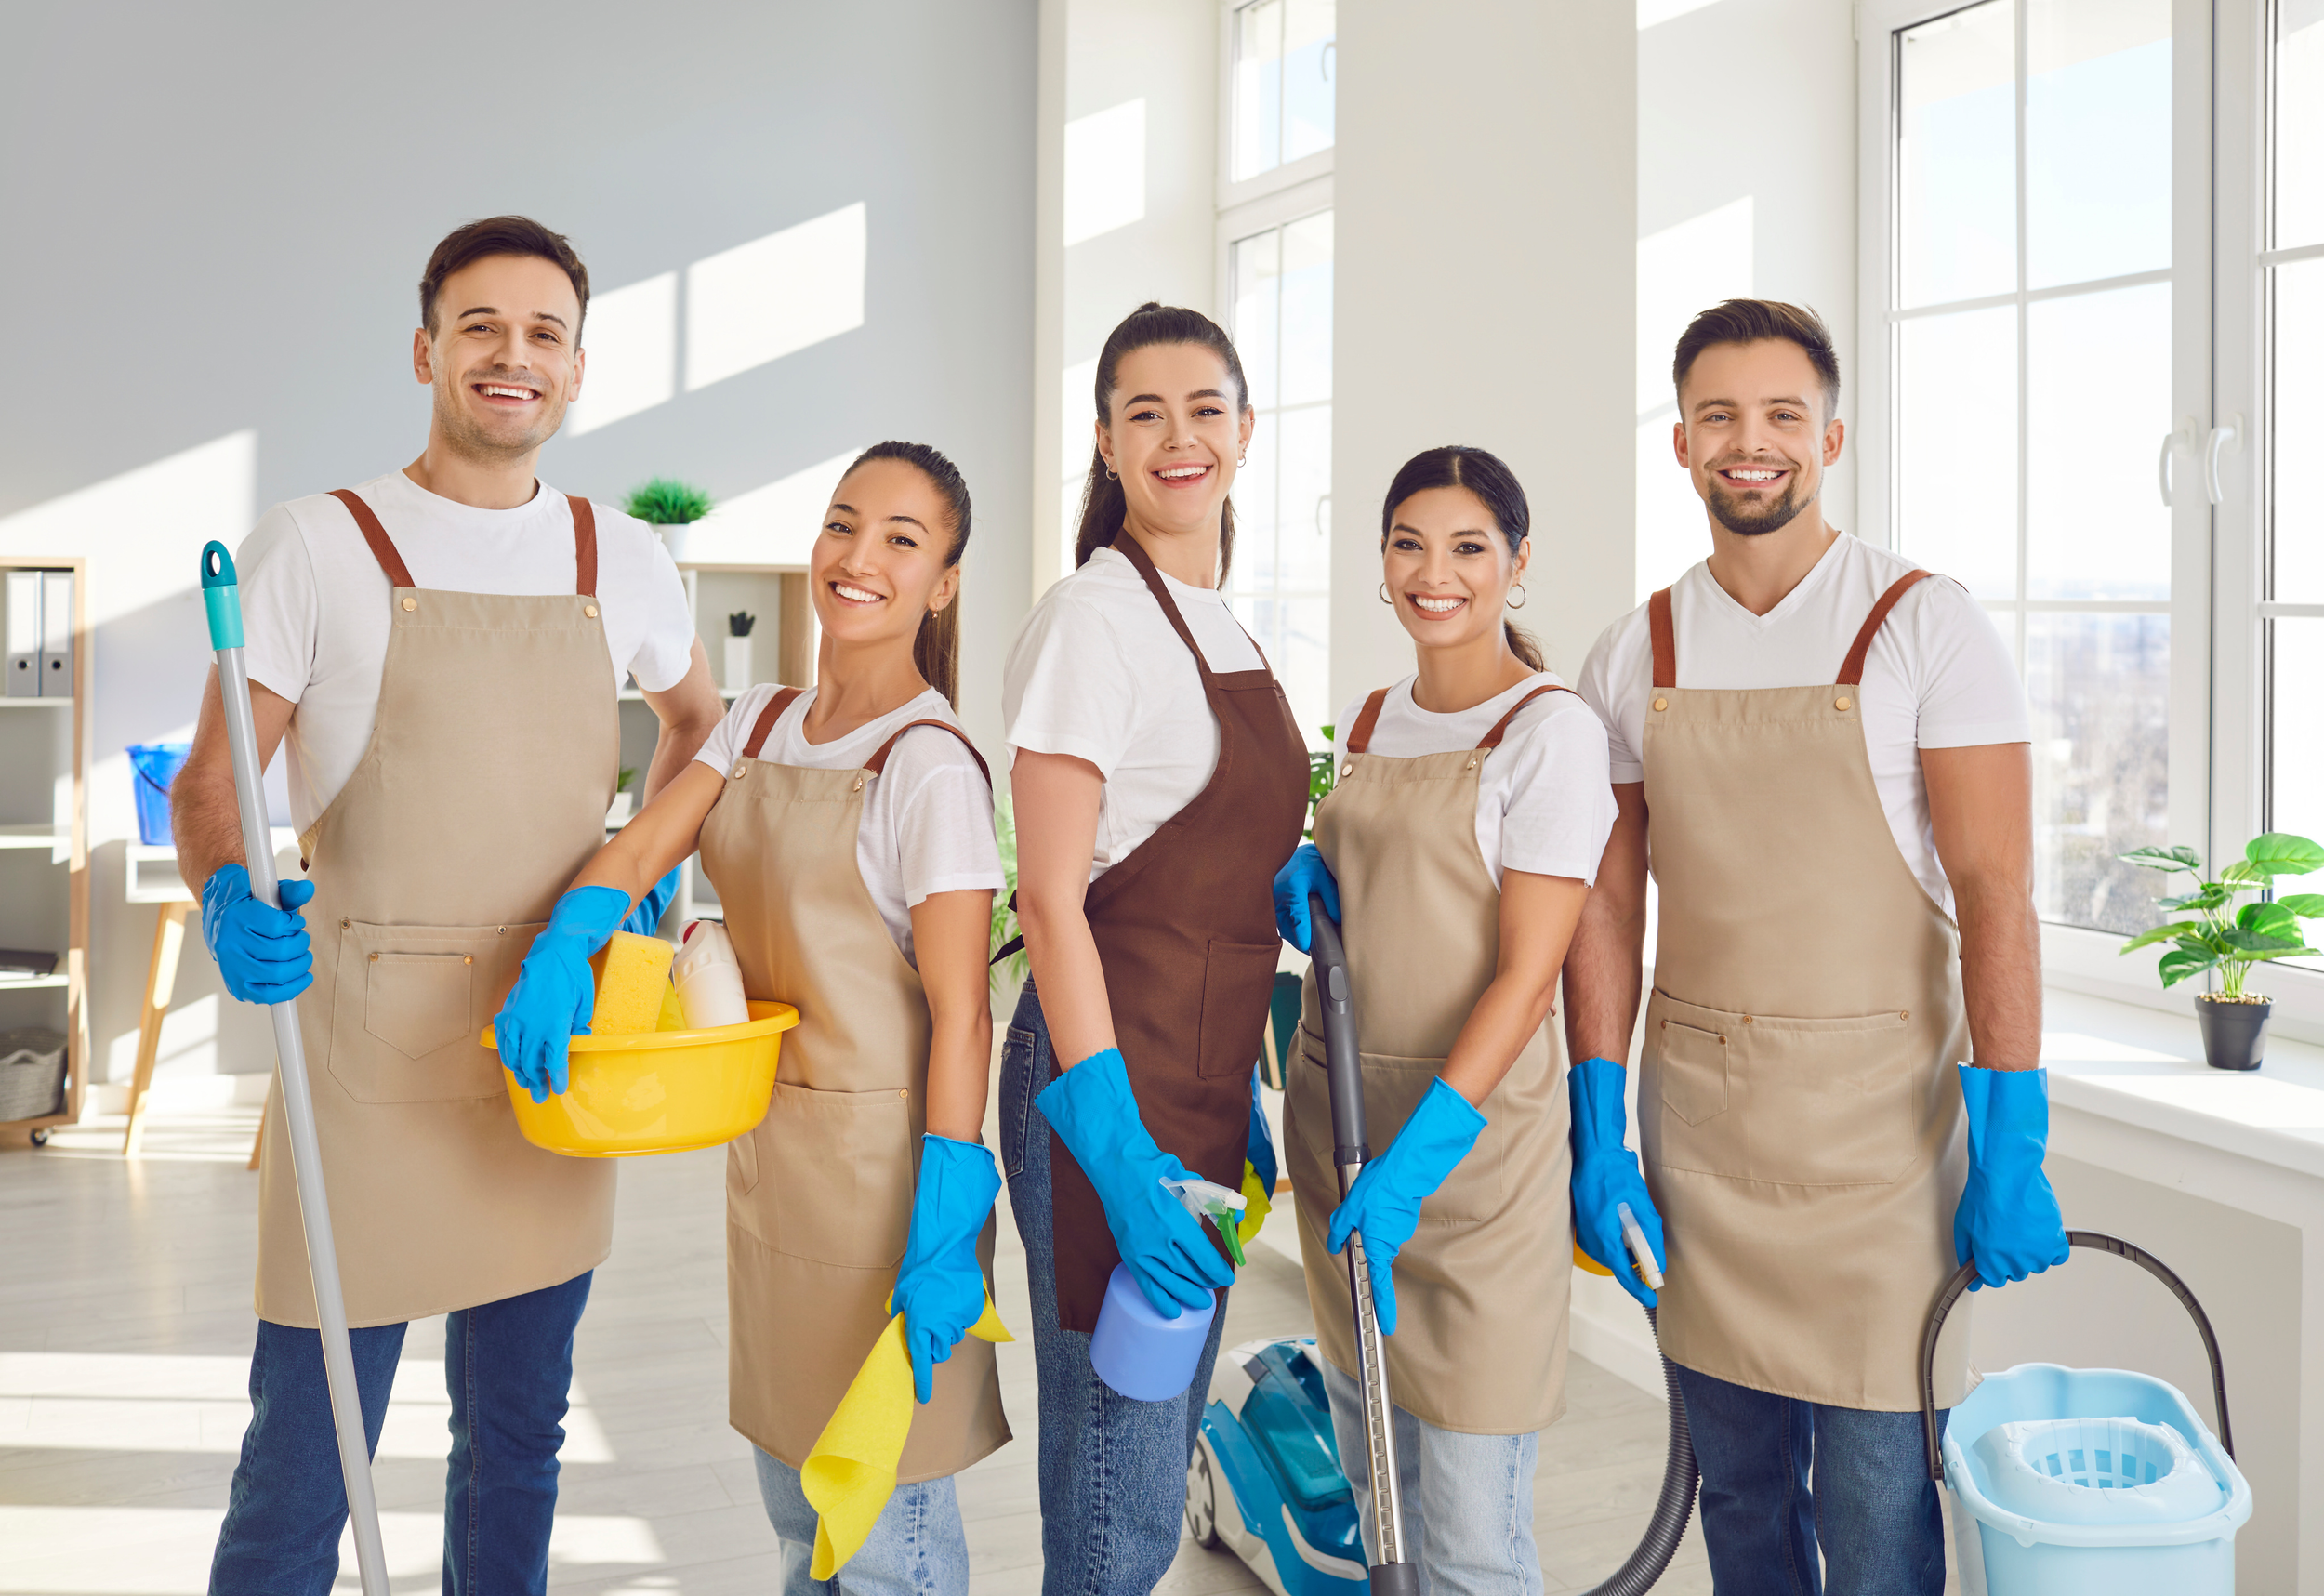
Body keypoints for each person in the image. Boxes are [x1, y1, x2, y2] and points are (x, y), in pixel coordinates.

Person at [171, 216, 724, 1595]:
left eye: (543, 332)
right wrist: (232, 885)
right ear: (427, 350)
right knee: (304, 1458)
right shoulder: (317, 543)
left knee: (520, 1442)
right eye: (480, 325)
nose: (510, 354)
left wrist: (618, 893)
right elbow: (211, 778)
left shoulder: (620, 556)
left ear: (578, 370)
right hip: (364, 1070)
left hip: (544, 1050)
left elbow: (709, 739)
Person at [1562, 299, 2068, 1595]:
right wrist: (1598, 1123)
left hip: (1879, 1147)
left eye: (1782, 414)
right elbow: (1607, 908)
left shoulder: (1922, 623)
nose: (1752, 442)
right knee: (1734, 1489)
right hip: (1705, 1138)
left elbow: (1996, 892)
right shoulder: (1637, 650)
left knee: (1880, 1502)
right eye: (1720, 415)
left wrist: (2011, 1143)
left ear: (1830, 436)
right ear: (1679, 443)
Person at [492, 441, 1009, 1594]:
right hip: (778, 1161)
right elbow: (637, 849)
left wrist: (947, 1218)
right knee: (797, 1513)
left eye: (900, 540)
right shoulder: (762, 719)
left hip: (896, 1187)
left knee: (885, 1529)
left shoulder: (931, 766)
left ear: (945, 583)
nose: (857, 557)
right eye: (841, 523)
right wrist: (567, 938)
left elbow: (965, 1015)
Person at [1270, 445, 1618, 1592]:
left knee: (1469, 1527)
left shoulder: (1548, 732)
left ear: (1516, 565)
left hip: (1469, 1166)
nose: (1437, 572)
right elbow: (1378, 891)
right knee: (1382, 1498)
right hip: (1342, 1138)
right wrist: (1312, 861)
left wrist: (1421, 1156)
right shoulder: (1370, 718)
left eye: (1469, 546)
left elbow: (1529, 975)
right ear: (1380, 563)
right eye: (1409, 543)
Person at [1001, 302, 1309, 1596]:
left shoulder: (1221, 622)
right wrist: (1113, 1147)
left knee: (1157, 1447)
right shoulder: (1096, 619)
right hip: (1103, 1089)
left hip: (1204, 1085)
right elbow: (1054, 901)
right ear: (1107, 443)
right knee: (1116, 1496)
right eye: (1146, 413)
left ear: (1244, 430)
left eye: (1204, 410)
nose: (1179, 438)